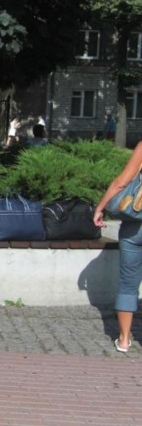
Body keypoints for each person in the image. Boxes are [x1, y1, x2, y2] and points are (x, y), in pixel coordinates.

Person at [93, 141, 142, 353]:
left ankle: (123, 340)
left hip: (133, 227)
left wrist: (100, 207)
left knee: (128, 283)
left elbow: (121, 183)